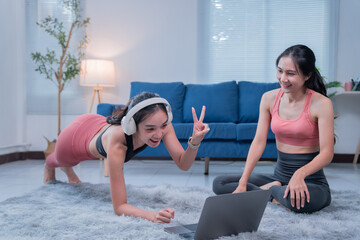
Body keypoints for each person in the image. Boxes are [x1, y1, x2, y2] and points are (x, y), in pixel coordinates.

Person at [44, 91, 210, 223]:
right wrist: (151, 215)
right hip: (74, 139)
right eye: (150, 129)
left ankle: (69, 172)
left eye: (163, 126)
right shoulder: (118, 142)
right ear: (131, 125)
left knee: (67, 164)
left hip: (96, 124)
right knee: (59, 160)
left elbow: (183, 164)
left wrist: (194, 142)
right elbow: (119, 207)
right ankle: (51, 165)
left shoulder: (162, 125)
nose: (159, 134)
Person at [213, 45, 334, 213]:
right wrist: (243, 181)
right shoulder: (269, 98)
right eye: (280, 71)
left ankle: (269, 192)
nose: (283, 78)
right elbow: (259, 141)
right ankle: (274, 190)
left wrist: (299, 174)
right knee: (219, 183)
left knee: (300, 201)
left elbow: (327, 153)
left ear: (308, 75)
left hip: (311, 180)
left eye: (291, 73)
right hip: (279, 177)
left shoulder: (322, 104)